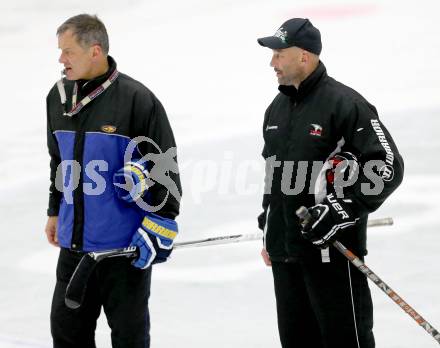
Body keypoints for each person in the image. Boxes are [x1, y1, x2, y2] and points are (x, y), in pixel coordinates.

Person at [257, 18, 404, 348]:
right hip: (286, 258)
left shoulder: (346, 104)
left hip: (333, 256)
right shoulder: (275, 110)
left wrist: (339, 209)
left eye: (280, 54)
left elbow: (388, 166)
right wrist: (270, 227)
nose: (272, 62)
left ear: (304, 57)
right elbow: (273, 175)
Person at [44, 14, 181, 348]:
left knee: (129, 340)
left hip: (123, 253)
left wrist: (161, 222)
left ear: (95, 51)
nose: (61, 60)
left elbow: (166, 170)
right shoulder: (58, 97)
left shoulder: (137, 100)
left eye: (68, 51)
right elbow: (59, 162)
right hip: (74, 250)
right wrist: (53, 210)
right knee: (66, 334)